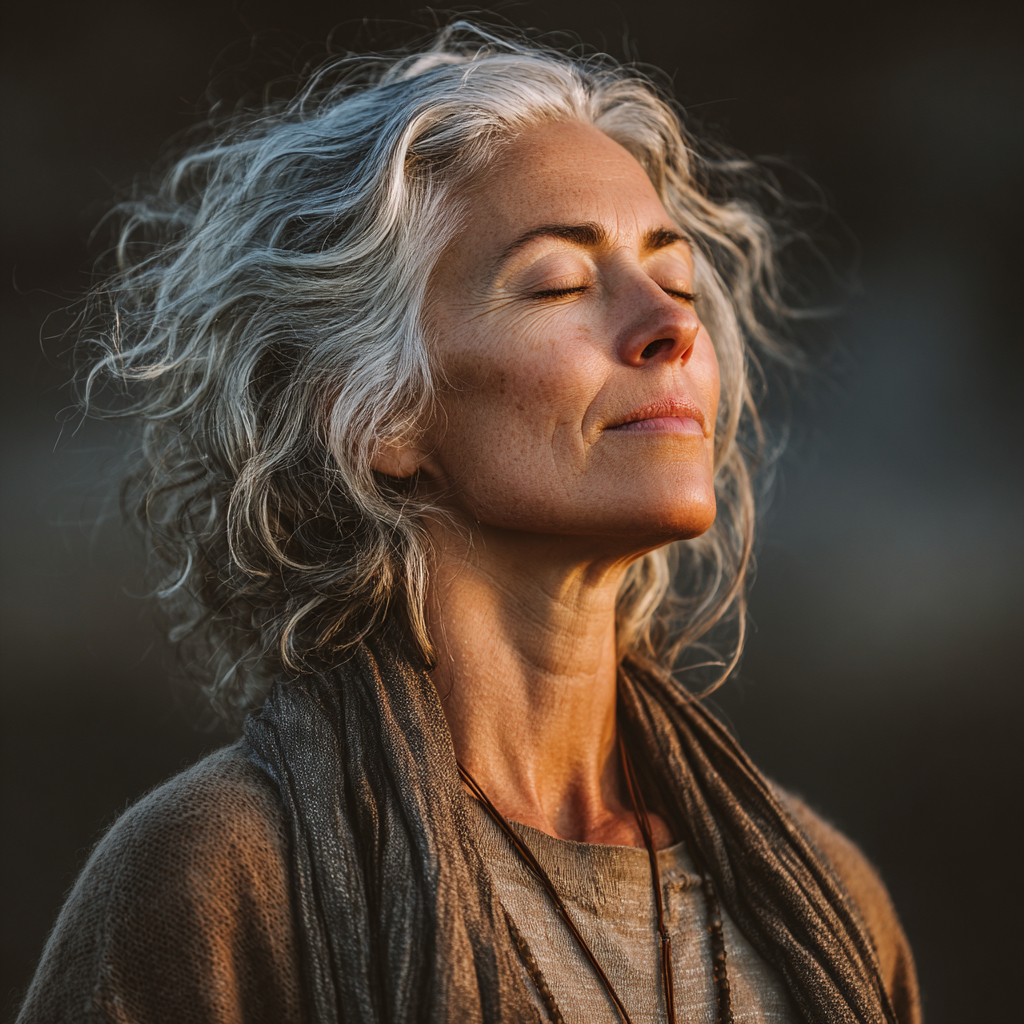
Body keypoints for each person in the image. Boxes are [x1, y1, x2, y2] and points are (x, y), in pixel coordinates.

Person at [17, 22, 921, 1024]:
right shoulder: (222, 875)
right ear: (375, 412)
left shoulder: (827, 894)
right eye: (560, 285)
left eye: (675, 281)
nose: (670, 326)